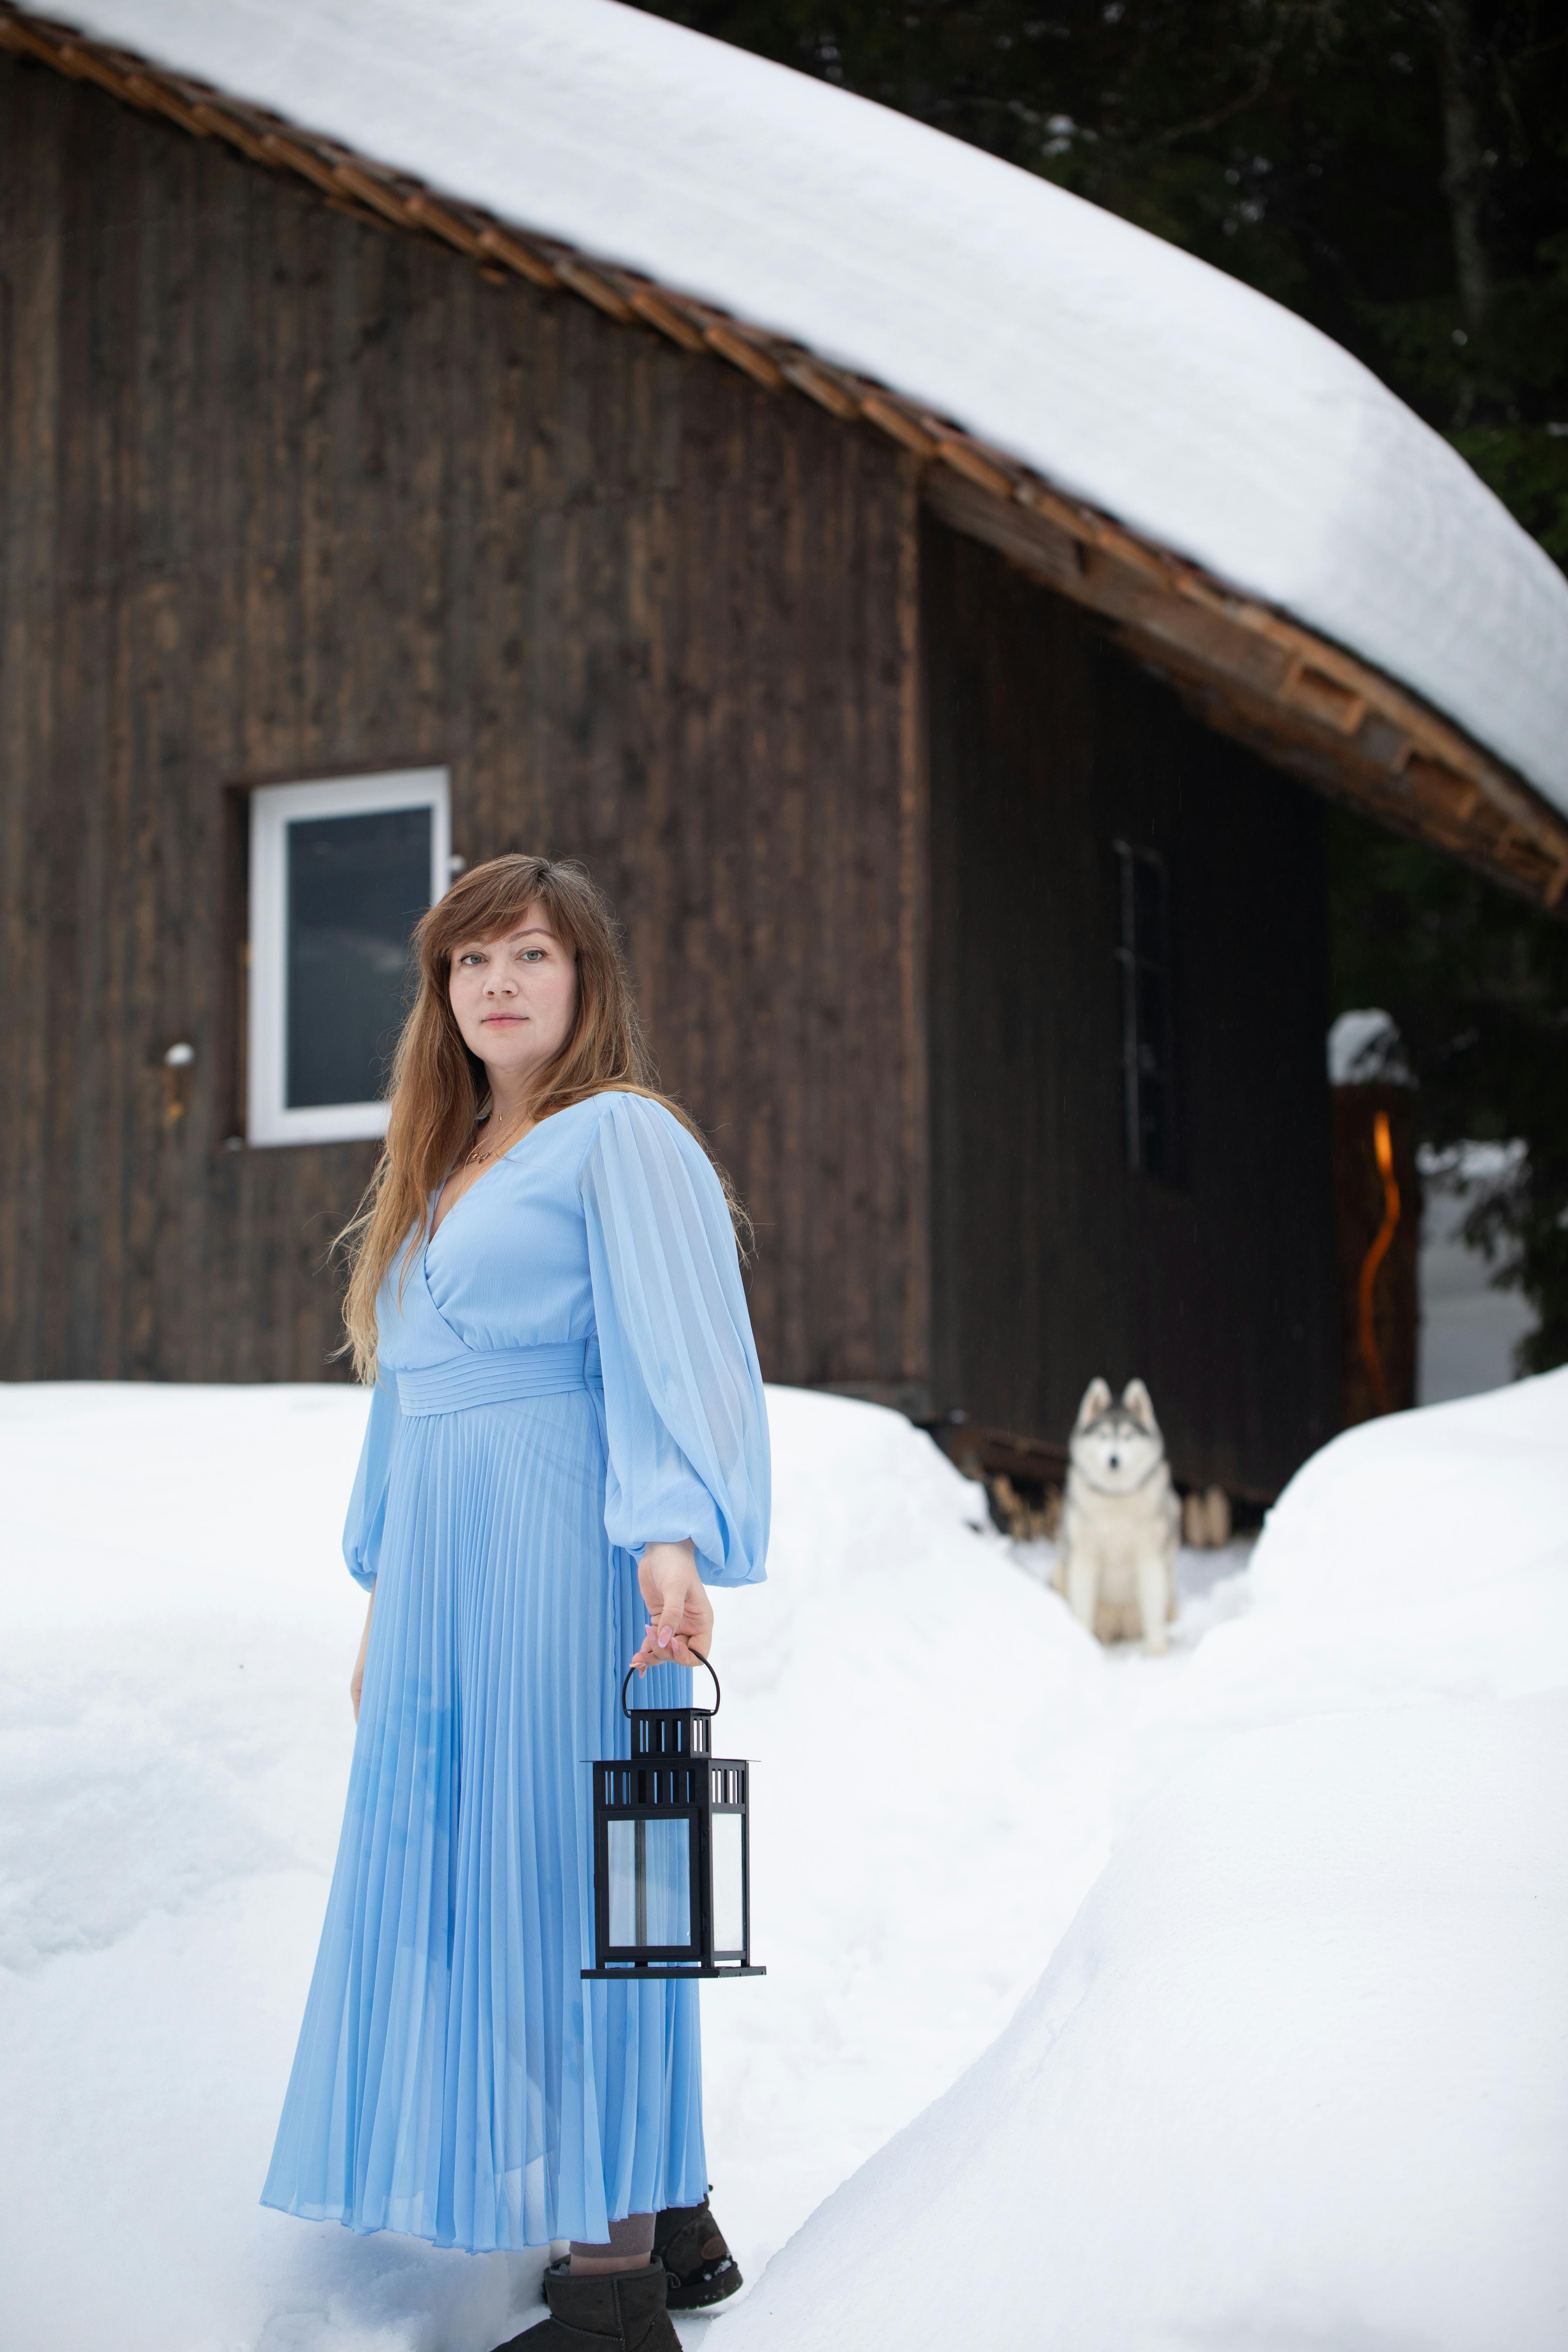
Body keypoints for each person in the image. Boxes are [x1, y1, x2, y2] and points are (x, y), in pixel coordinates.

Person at [261, 855, 771, 2352]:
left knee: (588, 1883)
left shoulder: (617, 1138)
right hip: (447, 1581)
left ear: (583, 978)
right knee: (506, 1879)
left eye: (529, 954)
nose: (497, 982)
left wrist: (669, 1538)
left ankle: (611, 2292)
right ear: (440, 993)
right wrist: (382, 1600)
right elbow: (406, 1405)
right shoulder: (435, 1169)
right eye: (470, 960)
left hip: (570, 1557)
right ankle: (669, 2218)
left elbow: (672, 1347)